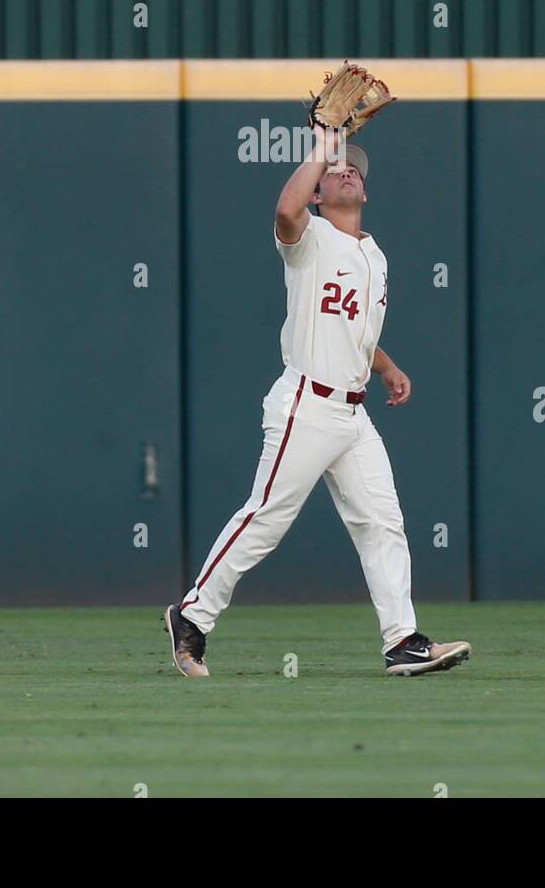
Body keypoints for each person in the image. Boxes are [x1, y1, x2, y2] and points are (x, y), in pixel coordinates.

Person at [163, 126, 471, 677]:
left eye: (353, 169)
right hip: (306, 403)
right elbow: (285, 211)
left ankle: (403, 641)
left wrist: (387, 366)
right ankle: (191, 616)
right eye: (334, 172)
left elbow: (357, 330)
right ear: (318, 194)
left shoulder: (374, 257)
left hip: (353, 413)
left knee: (382, 522)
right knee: (266, 519)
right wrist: (321, 149)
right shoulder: (309, 240)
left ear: (366, 193)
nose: (346, 172)